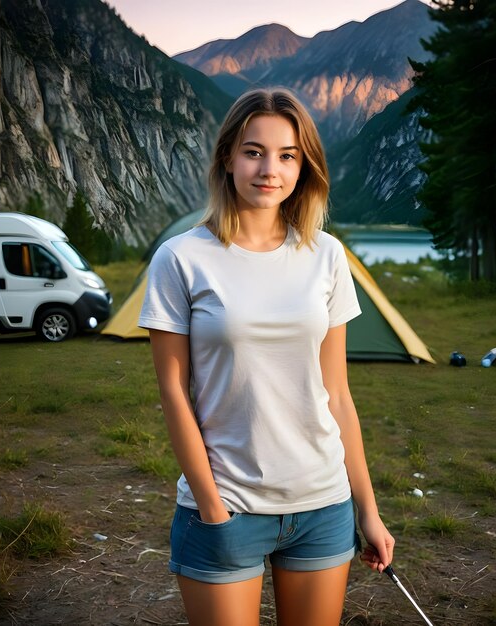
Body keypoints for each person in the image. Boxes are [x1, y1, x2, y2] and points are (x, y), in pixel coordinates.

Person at [138, 88, 395, 626]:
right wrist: (212, 507)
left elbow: (338, 396)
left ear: (304, 167)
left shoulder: (325, 255)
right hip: (227, 508)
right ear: (228, 157)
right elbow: (173, 392)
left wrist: (366, 511)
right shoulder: (181, 258)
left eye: (287, 155)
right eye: (254, 151)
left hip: (323, 504)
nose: (269, 169)